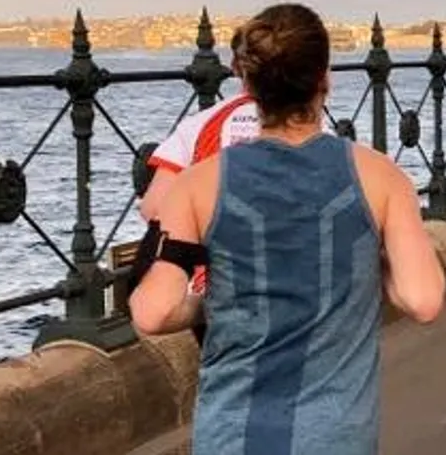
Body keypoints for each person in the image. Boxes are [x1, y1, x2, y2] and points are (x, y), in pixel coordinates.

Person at [129, 2, 446, 455]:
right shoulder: (380, 177)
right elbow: (423, 300)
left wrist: (213, 302)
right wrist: (365, 269)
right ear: (324, 79)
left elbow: (153, 313)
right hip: (334, 435)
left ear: (247, 84)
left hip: (233, 432)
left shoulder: (197, 185)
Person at [134, 31, 333, 341]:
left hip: (213, 289)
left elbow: (154, 207)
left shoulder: (203, 123)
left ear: (237, 69)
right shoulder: (316, 132)